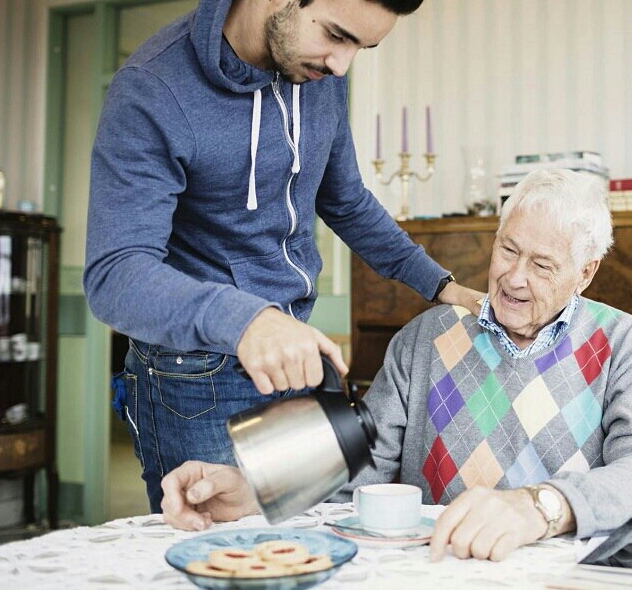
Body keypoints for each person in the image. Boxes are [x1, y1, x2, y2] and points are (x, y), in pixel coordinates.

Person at [160, 168, 632, 562]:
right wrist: (259, 490)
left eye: (543, 265)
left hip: (562, 575)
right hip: (436, 568)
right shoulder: (427, 337)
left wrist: (538, 507)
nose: (514, 278)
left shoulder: (628, 345)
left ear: (586, 272)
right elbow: (364, 464)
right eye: (508, 250)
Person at [84, 0, 483, 513]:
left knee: (298, 545)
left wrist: (442, 284)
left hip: (294, 356)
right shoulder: (153, 87)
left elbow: (347, 201)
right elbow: (115, 274)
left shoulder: (316, 72)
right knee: (226, 553)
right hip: (195, 377)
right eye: (337, 35)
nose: (342, 66)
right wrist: (251, 322)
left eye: (362, 47)